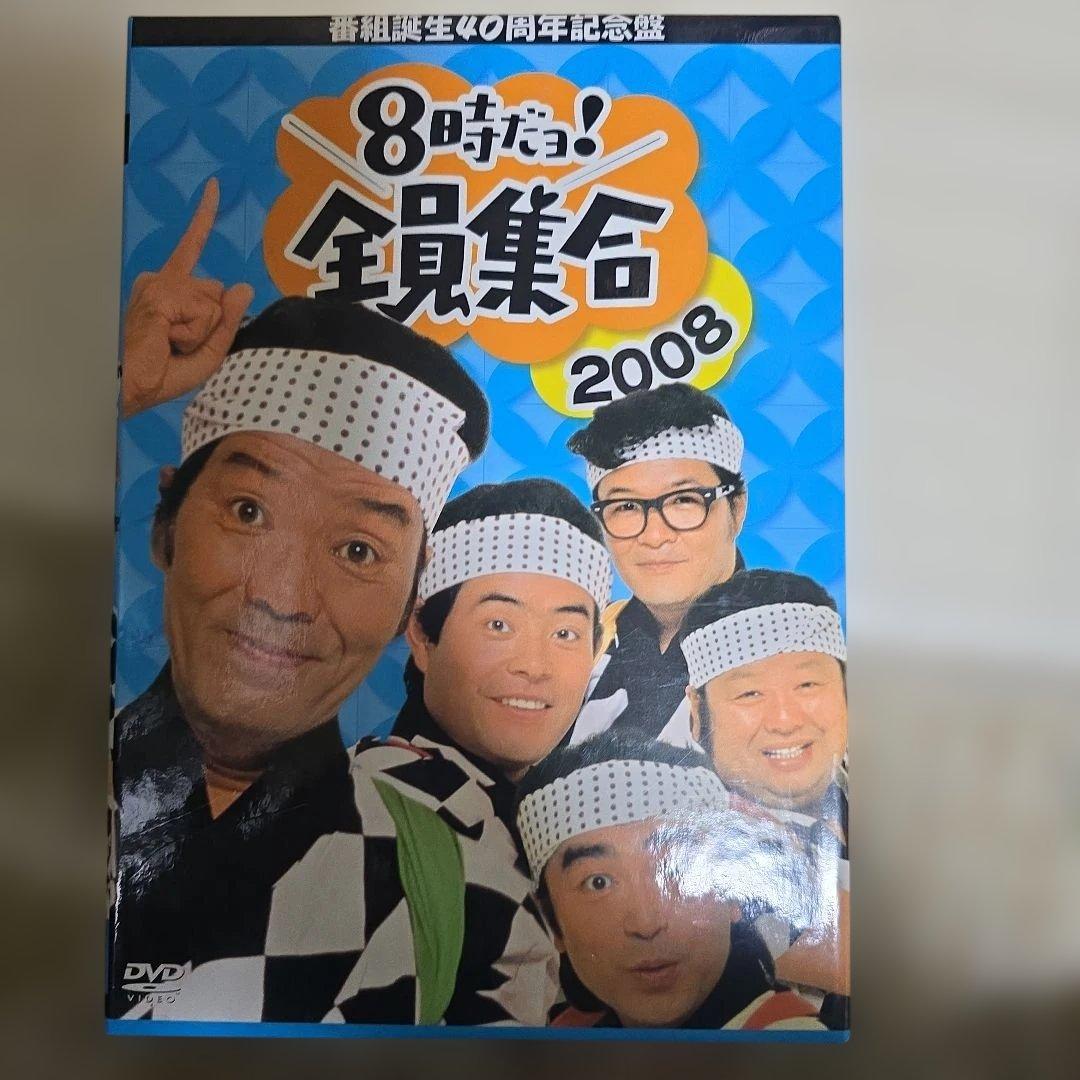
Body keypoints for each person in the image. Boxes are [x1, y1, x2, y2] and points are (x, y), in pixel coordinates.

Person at [108, 182, 490, 1019]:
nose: (283, 598)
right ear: (166, 522)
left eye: (358, 551)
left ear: (411, 601)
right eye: (249, 513)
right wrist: (112, 388)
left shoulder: (445, 874)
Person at [234, 478, 614, 1026]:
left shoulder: (559, 826)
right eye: (499, 625)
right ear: (421, 634)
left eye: (566, 634)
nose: (535, 666)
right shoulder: (364, 810)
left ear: (597, 651)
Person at [514, 733, 825, 1031]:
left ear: (733, 894)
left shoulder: (792, 1040)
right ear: (552, 923)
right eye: (599, 882)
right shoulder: (561, 1037)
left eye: (677, 869)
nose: (646, 924)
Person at [679, 568, 850, 1020]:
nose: (785, 720)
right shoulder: (692, 841)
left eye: (808, 685)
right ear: (697, 712)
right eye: (750, 693)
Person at [565, 383, 748, 746]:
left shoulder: (792, 651)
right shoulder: (581, 643)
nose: (655, 535)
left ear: (737, 508)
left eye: (683, 500)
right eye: (626, 507)